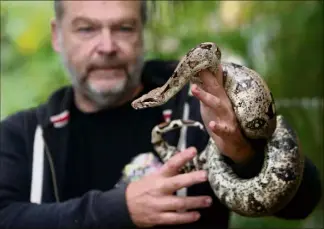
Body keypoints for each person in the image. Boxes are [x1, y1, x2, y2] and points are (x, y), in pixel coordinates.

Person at [0, 1, 322, 228]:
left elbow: (303, 199)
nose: (107, 46)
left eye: (123, 28)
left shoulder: (202, 103)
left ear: (142, 32)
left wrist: (241, 149)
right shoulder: (24, 135)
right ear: (57, 35)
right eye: (86, 29)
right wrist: (118, 209)